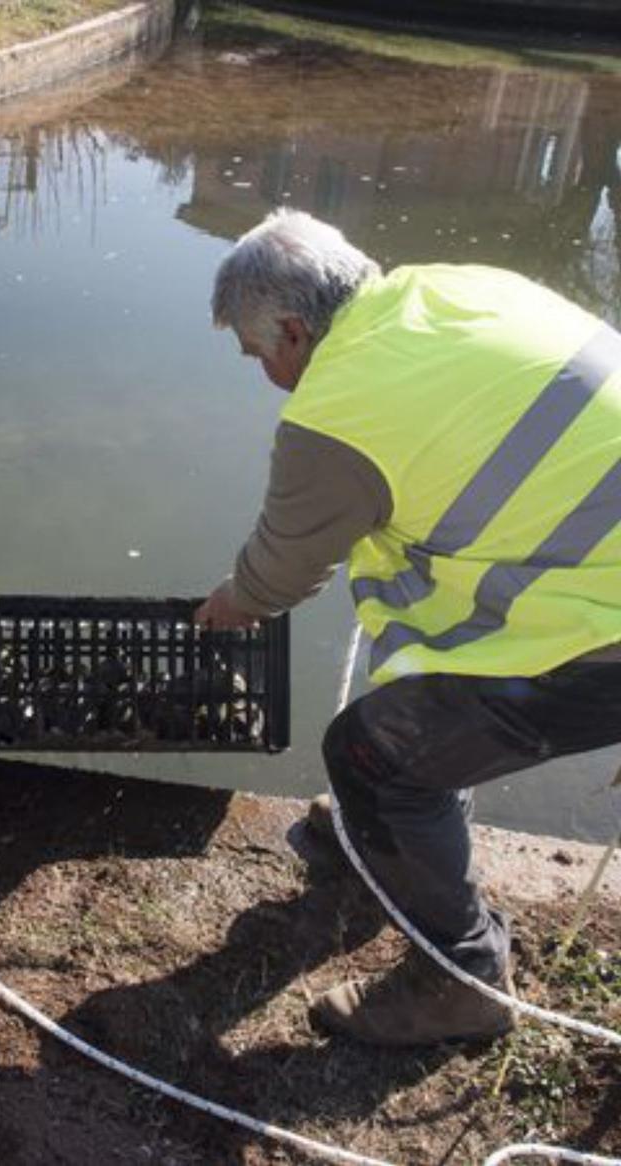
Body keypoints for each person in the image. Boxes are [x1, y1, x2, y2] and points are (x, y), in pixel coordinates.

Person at [195, 208, 621, 1046]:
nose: (266, 377)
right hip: (590, 570)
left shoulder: (336, 409)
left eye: (260, 356)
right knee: (421, 726)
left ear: (292, 328)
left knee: (374, 761)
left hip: (601, 627)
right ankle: (391, 841)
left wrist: (228, 606)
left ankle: (463, 981)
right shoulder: (462, 289)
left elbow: (280, 572)